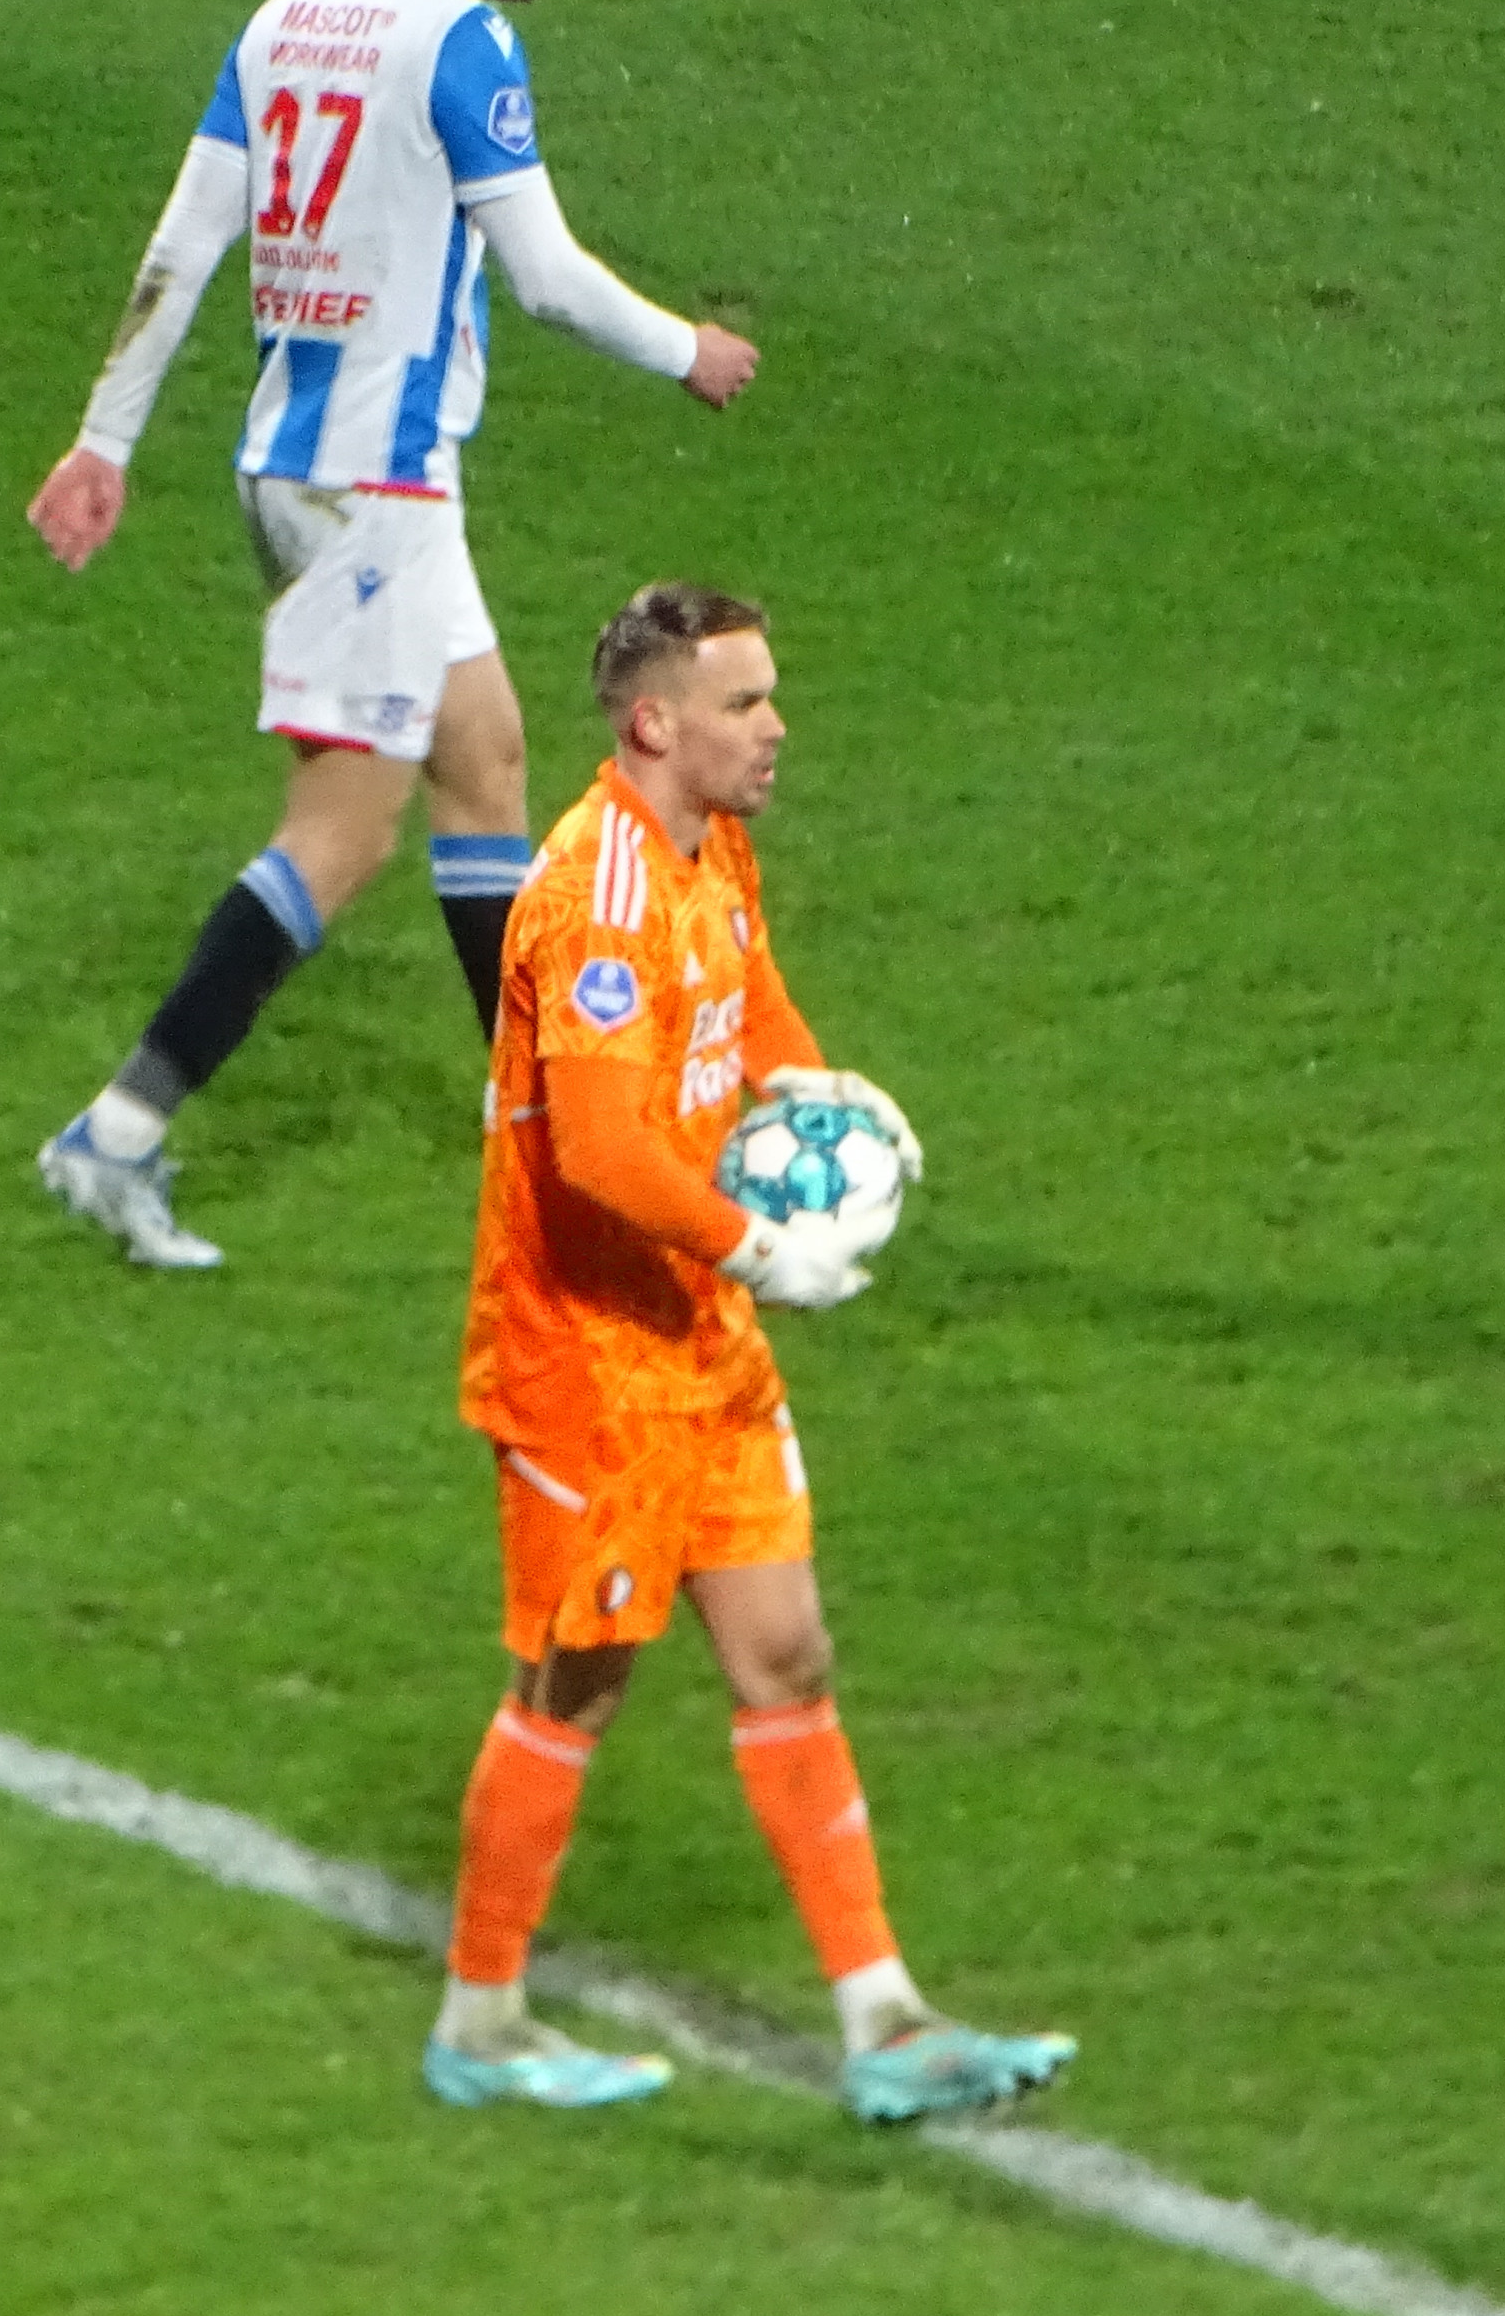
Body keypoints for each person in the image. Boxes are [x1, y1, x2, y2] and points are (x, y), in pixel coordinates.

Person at [25, 0, 762, 1269]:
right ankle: (117, 1135)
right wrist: (687, 349)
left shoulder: (283, 20)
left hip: (299, 468)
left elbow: (185, 241)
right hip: (379, 485)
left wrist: (105, 437)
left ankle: (558, 1144)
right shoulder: (465, 41)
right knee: (343, 836)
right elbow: (543, 275)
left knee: (484, 763)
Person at [419, 582, 1078, 2122]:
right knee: (574, 1685)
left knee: (786, 1653)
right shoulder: (595, 898)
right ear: (658, 721)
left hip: (697, 1345)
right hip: (586, 1364)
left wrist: (831, 1095)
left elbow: (756, 1016)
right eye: (745, 703)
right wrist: (763, 1244)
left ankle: (886, 2022)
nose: (776, 728)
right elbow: (596, 1149)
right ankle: (483, 2018)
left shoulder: (714, 859)